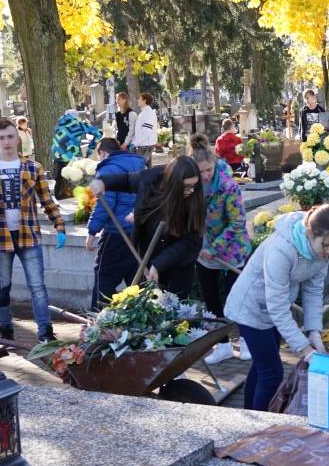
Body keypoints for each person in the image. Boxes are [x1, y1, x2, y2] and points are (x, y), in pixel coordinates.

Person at [224, 205, 329, 410]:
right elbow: (278, 308)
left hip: (273, 310)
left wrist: (314, 332)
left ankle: (250, 413)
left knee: (262, 366)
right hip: (250, 309)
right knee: (272, 373)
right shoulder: (281, 249)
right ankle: (261, 429)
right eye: (327, 245)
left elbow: (313, 292)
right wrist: (305, 350)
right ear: (310, 233)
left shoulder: (322, 254)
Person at [0, 119, 66, 343]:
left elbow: (47, 200)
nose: (6, 142)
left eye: (10, 136)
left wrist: (59, 225)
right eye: (2, 138)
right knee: (2, 285)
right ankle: (5, 328)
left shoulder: (33, 168)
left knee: (37, 286)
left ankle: (45, 331)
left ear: (18, 138)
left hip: (28, 235)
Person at [89, 154, 205, 297]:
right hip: (147, 256)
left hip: (178, 264)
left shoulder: (194, 200)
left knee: (174, 308)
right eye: (187, 187)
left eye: (194, 186)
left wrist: (159, 264)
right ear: (173, 183)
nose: (192, 190)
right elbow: (127, 181)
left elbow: (191, 241)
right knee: (148, 305)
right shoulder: (151, 180)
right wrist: (103, 183)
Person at [182, 135, 252, 364]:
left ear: (214, 164)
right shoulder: (189, 184)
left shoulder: (227, 186)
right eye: (200, 172)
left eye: (208, 170)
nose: (205, 176)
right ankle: (221, 345)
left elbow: (237, 223)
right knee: (211, 299)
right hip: (204, 250)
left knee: (238, 299)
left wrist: (216, 247)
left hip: (232, 249)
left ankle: (246, 341)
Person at [85, 137, 146, 310]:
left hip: (116, 233)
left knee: (104, 278)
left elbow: (106, 203)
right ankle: (141, 319)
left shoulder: (108, 169)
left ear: (102, 153)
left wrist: (92, 231)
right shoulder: (139, 164)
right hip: (138, 229)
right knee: (136, 280)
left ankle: (100, 319)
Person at [50, 109, 101, 199]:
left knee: (58, 180)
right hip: (72, 155)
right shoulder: (80, 124)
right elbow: (98, 133)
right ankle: (78, 199)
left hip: (57, 155)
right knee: (76, 179)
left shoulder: (58, 124)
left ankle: (58, 198)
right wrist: (90, 149)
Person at [129, 93, 159, 158]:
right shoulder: (144, 113)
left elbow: (146, 131)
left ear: (144, 101)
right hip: (143, 145)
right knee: (145, 167)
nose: (138, 100)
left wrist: (135, 143)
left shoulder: (148, 113)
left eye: (139, 99)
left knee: (140, 167)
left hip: (145, 146)